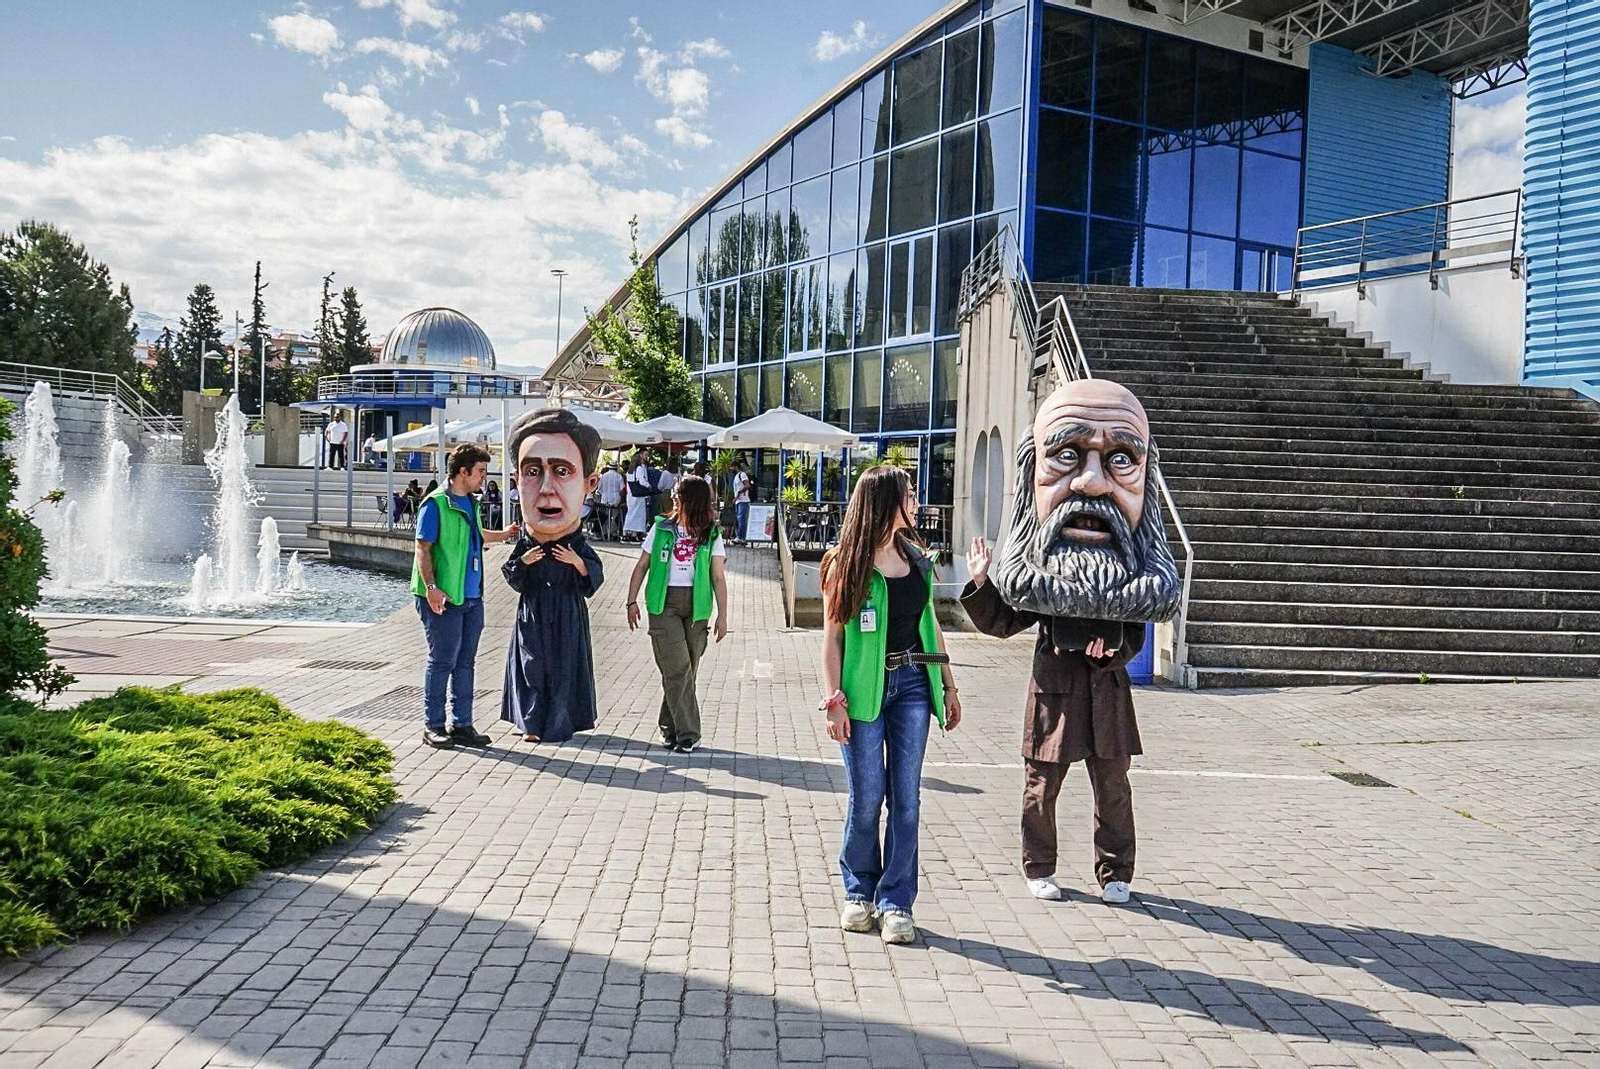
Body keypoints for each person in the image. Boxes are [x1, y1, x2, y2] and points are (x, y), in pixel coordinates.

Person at [961, 379, 1181, 906]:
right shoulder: (1045, 567)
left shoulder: (1127, 569)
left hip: (1107, 694)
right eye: (1065, 455)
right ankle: (1039, 868)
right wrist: (981, 581)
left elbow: (1134, 630)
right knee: (1042, 787)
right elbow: (1001, 623)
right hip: (1054, 692)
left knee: (1114, 790)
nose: (1092, 483)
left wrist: (1118, 652)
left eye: (1121, 460)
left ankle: (1116, 874)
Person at [819, 465, 962, 945]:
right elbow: (834, 639)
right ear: (885, 503)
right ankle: (858, 891)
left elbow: (931, 624)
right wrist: (834, 700)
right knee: (867, 798)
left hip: (914, 686)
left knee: (906, 800)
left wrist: (948, 684)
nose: (918, 501)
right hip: (862, 693)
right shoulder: (846, 563)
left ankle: (896, 901)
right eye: (910, 494)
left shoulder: (917, 559)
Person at [500, 407, 606, 745]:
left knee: (563, 671)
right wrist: (525, 563)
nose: (546, 488)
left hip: (567, 615)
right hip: (532, 614)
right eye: (533, 471)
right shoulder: (526, 543)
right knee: (532, 668)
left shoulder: (579, 545)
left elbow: (593, 579)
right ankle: (531, 723)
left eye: (562, 471)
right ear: (516, 479)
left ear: (590, 483)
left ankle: (561, 723)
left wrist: (577, 563)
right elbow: (512, 577)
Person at [411, 443, 521, 749]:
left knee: (466, 662)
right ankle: (433, 724)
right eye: (481, 471)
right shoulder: (435, 504)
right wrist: (432, 588)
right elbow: (423, 548)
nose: (484, 477)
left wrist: (505, 535)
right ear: (463, 472)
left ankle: (461, 724)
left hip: (471, 596)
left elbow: (478, 535)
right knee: (442, 660)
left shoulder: (470, 502)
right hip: (443, 597)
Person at [623, 475, 729, 754]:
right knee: (679, 669)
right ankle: (688, 734)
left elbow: (718, 577)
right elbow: (642, 565)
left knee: (685, 672)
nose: (672, 498)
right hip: (663, 604)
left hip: (698, 608)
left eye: (677, 494)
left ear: (689, 500)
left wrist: (723, 615)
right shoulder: (661, 529)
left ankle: (668, 727)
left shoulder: (711, 534)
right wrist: (631, 601)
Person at [624, 451, 657, 542]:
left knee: (630, 513)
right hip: (639, 495)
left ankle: (626, 532)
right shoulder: (640, 468)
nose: (647, 457)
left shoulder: (630, 471)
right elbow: (642, 481)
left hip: (631, 494)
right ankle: (634, 534)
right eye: (646, 455)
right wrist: (648, 485)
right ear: (640, 456)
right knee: (638, 515)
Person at [598, 461, 626, 540]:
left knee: (605, 516)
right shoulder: (618, 476)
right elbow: (621, 490)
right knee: (614, 517)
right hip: (615, 499)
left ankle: (605, 532)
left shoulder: (603, 476)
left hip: (605, 498)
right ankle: (613, 532)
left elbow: (599, 489)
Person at [730, 458, 752, 544]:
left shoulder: (742, 474)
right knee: (739, 519)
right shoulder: (736, 476)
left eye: (731, 467)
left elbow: (747, 485)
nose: (731, 469)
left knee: (741, 518)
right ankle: (740, 537)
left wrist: (738, 494)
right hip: (738, 501)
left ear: (735, 466)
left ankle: (740, 537)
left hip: (743, 500)